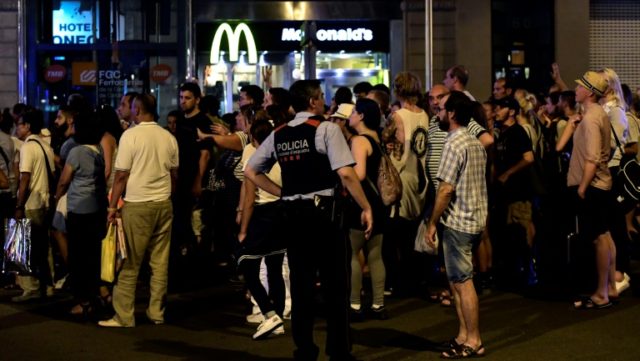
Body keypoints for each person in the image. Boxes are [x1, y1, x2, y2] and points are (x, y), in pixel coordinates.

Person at [245, 79, 373, 361]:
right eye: (321, 96)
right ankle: (338, 350)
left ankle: (304, 349)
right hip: (324, 214)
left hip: (293, 215)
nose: (324, 101)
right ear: (313, 102)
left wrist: (283, 192)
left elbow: (251, 170)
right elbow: (347, 174)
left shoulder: (278, 134)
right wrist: (366, 206)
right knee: (335, 286)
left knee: (302, 287)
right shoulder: (326, 129)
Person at [99, 93, 178, 327]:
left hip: (138, 204)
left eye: (131, 106)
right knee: (159, 262)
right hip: (163, 204)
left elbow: (121, 175)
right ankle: (157, 312)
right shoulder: (168, 137)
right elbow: (175, 174)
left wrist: (112, 206)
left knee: (130, 261)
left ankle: (124, 316)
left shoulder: (130, 136)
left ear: (138, 110)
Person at [425, 91, 488, 358]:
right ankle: (463, 335)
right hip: (476, 218)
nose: (436, 113)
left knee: (462, 283)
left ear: (451, 113)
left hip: (458, 221)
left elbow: (446, 189)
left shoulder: (453, 143)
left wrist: (432, 222)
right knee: (458, 283)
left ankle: (473, 339)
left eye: (439, 109)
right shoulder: (474, 141)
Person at [568, 71, 617, 310]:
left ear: (588, 92)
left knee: (598, 238)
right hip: (602, 184)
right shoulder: (597, 114)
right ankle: (609, 288)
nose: (575, 89)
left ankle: (601, 293)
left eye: (579, 86)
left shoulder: (590, 119)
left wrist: (582, 188)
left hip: (593, 185)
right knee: (605, 235)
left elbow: (592, 158)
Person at [54, 111, 107, 317]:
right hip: (96, 208)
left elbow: (65, 179)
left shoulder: (76, 152)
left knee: (78, 257)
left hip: (78, 209)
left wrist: (57, 196)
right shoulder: (98, 150)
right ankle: (98, 294)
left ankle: (83, 301)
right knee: (92, 256)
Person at [346, 98, 388, 320]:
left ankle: (354, 304)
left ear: (361, 116)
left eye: (353, 111)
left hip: (362, 202)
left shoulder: (359, 141)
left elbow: (359, 175)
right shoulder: (376, 138)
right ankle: (378, 304)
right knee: (375, 255)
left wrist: (343, 176)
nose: (350, 115)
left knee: (352, 253)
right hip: (379, 201)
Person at [12, 109, 56, 302]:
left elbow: (25, 178)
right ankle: (48, 285)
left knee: (25, 246)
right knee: (44, 246)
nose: (17, 128)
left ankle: (30, 287)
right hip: (45, 201)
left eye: (19, 124)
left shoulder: (27, 147)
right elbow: (53, 174)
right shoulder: (46, 146)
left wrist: (19, 205)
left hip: (31, 202)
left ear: (27, 126)